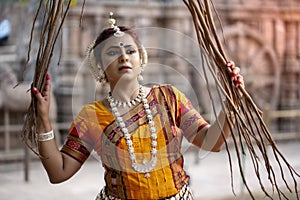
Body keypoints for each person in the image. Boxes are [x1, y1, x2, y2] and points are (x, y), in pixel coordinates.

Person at [32, 13, 244, 200]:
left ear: (141, 58)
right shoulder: (92, 116)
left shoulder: (169, 97)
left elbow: (211, 142)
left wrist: (230, 102)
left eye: (130, 51)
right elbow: (58, 172)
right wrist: (43, 120)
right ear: (100, 66)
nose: (124, 56)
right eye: (113, 52)